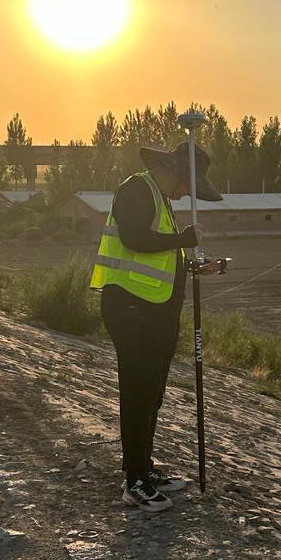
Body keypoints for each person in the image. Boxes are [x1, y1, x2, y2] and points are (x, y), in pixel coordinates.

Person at [90, 142, 222, 512]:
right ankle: (135, 482)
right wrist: (182, 240)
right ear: (176, 173)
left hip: (154, 312)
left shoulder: (160, 199)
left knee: (151, 395)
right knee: (138, 396)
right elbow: (134, 239)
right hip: (132, 310)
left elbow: (160, 256)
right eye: (188, 187)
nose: (186, 195)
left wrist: (193, 266)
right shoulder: (136, 190)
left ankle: (143, 469)